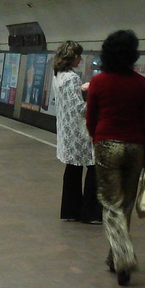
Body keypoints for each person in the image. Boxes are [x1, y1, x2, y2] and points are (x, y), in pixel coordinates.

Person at [85, 30, 145, 287]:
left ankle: (123, 256)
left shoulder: (99, 82)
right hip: (135, 146)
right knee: (125, 203)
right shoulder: (140, 82)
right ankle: (115, 257)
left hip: (107, 144)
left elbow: (91, 117)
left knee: (111, 203)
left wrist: (98, 140)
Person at [50, 41, 102, 224]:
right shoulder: (72, 78)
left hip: (66, 131)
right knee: (95, 167)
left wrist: (81, 89)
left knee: (72, 169)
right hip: (80, 132)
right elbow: (80, 108)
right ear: (71, 57)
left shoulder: (58, 74)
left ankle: (70, 210)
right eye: (78, 56)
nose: (80, 59)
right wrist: (96, 100)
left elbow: (68, 97)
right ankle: (91, 212)